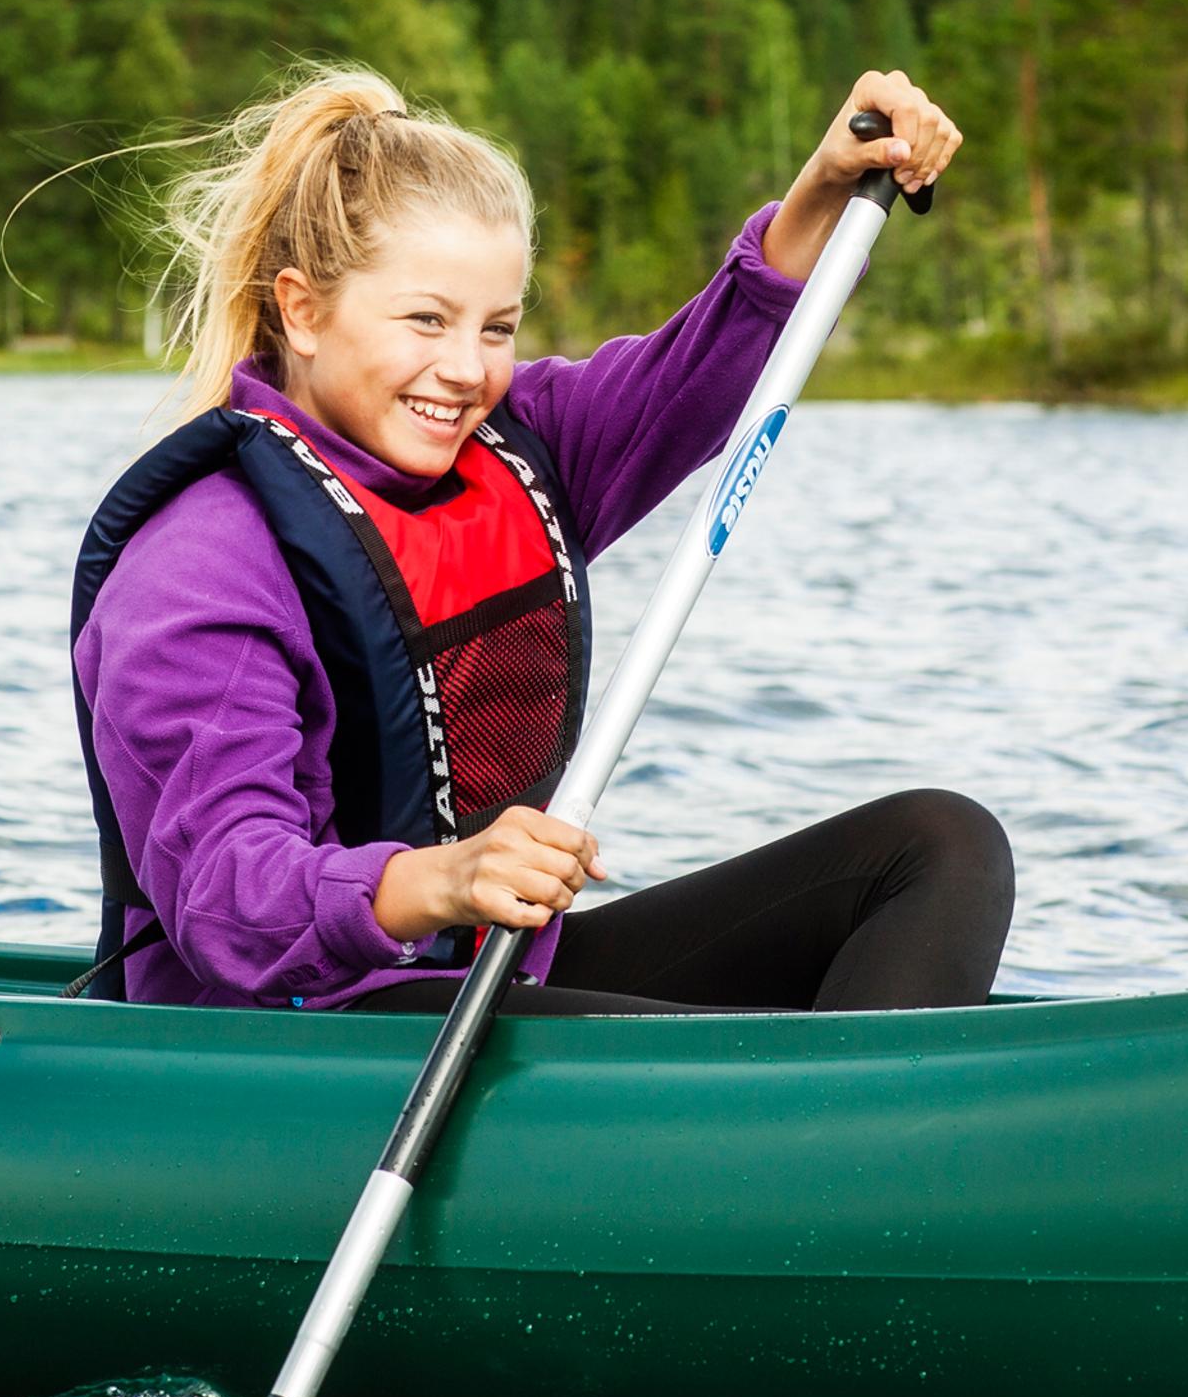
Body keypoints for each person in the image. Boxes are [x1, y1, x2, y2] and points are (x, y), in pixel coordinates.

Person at [71, 64, 1012, 1015]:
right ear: (303, 312)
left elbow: (701, 373)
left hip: (489, 980)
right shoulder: (199, 569)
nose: (464, 370)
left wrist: (825, 190)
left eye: (497, 328)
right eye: (427, 320)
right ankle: (833, 1106)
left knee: (939, 846)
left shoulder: (522, 444)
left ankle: (849, 1100)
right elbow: (228, 904)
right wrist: (441, 880)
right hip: (292, 1031)